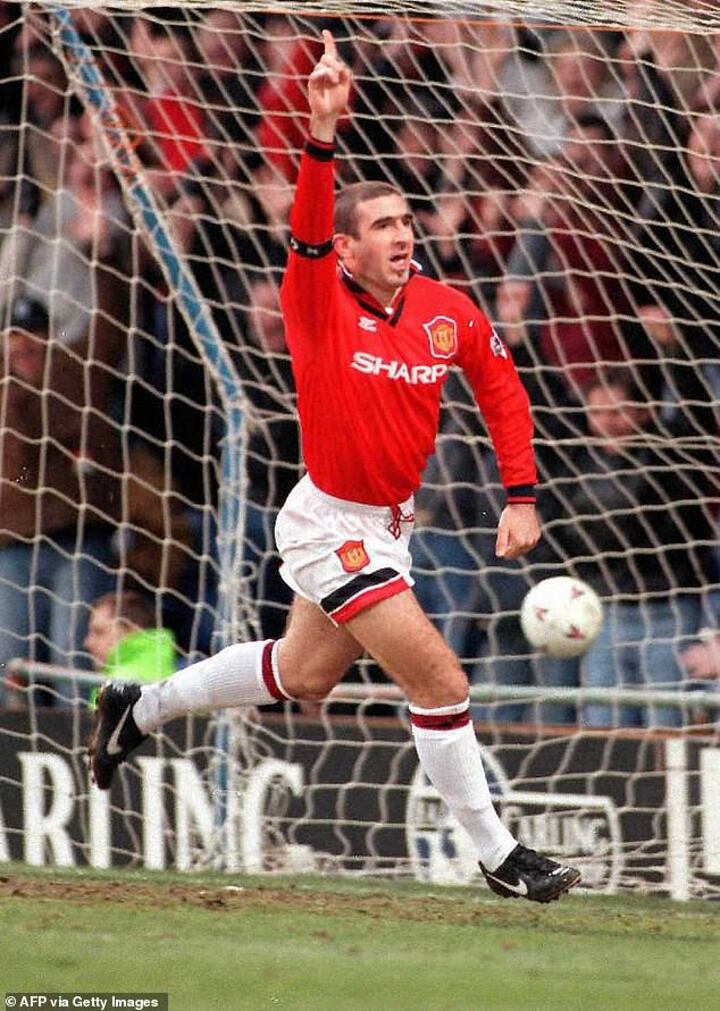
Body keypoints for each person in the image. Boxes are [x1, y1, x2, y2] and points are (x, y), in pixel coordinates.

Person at [90, 32, 580, 904]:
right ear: (345, 248)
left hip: (389, 524)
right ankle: (501, 854)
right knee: (441, 679)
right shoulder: (314, 299)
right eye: (383, 225)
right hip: (330, 524)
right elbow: (308, 226)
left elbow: (503, 389)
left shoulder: (446, 310)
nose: (403, 235)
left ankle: (141, 704)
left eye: (407, 222)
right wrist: (320, 133)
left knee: (304, 672)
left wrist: (520, 494)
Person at [85, 590, 176, 706]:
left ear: (132, 631)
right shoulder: (168, 675)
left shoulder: (118, 686)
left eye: (99, 632)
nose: (88, 642)